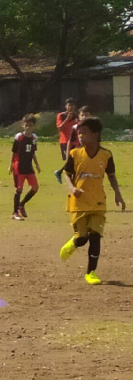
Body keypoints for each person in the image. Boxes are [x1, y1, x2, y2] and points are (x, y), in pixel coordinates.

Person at [59, 117, 125, 285]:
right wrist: (72, 189)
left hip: (98, 203)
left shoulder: (106, 155)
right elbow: (66, 174)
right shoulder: (75, 154)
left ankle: (91, 272)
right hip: (79, 203)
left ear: (96, 134)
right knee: (82, 239)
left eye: (84, 133)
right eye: (79, 133)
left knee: (95, 237)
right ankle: (73, 243)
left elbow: (111, 176)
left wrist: (118, 194)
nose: (80, 136)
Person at [10, 114, 41, 221]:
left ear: (34, 126)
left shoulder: (34, 138)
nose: (28, 127)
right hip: (19, 166)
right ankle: (14, 213)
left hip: (29, 166)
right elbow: (14, 152)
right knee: (19, 189)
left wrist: (37, 164)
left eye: (30, 125)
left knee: (35, 187)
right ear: (23, 125)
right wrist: (11, 165)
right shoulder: (19, 137)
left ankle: (21, 205)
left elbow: (33, 152)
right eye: (26, 125)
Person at [55, 105, 91, 184]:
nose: (84, 117)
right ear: (79, 116)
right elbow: (70, 143)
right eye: (82, 115)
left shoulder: (94, 129)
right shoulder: (75, 128)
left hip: (90, 155)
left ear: (91, 116)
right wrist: (68, 156)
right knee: (76, 174)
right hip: (78, 154)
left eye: (86, 115)